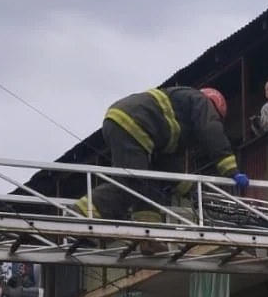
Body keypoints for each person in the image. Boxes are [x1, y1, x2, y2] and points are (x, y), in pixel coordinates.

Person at [73, 86, 249, 227]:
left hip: (127, 123)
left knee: (149, 180)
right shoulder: (203, 102)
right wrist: (231, 170)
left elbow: (170, 166)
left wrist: (190, 192)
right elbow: (212, 131)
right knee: (130, 183)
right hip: (136, 124)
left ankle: (148, 234)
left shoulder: (179, 122)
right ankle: (80, 214)